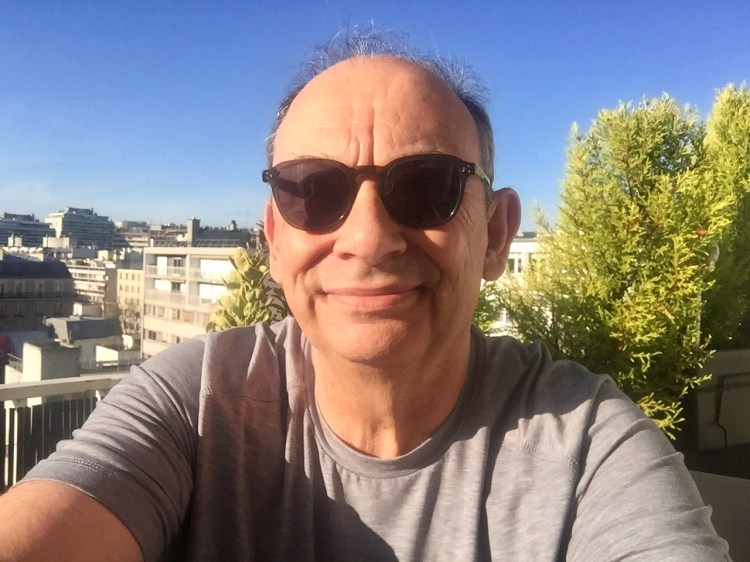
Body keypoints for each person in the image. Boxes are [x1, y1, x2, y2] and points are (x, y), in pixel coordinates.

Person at [0, 30, 730, 562]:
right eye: (313, 191)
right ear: (275, 240)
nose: (369, 238)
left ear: (497, 235)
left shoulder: (586, 445)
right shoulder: (193, 401)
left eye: (429, 186)